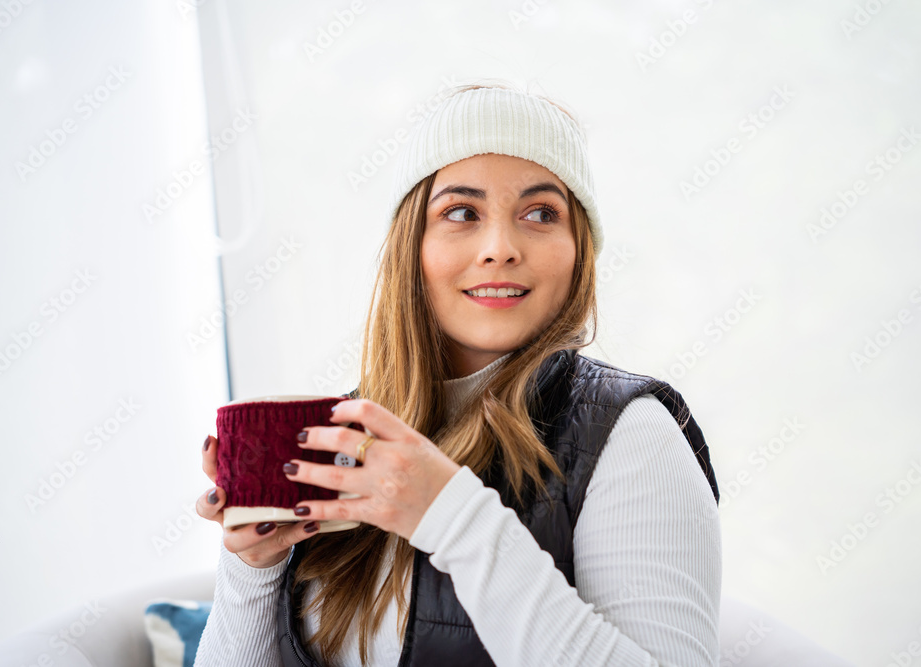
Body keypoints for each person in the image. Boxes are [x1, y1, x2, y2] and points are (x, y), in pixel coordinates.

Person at [194, 81, 722, 667]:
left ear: (579, 252)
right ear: (410, 247)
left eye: (542, 213)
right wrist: (252, 570)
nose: (500, 247)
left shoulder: (632, 435)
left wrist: (448, 515)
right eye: (462, 213)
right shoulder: (344, 436)